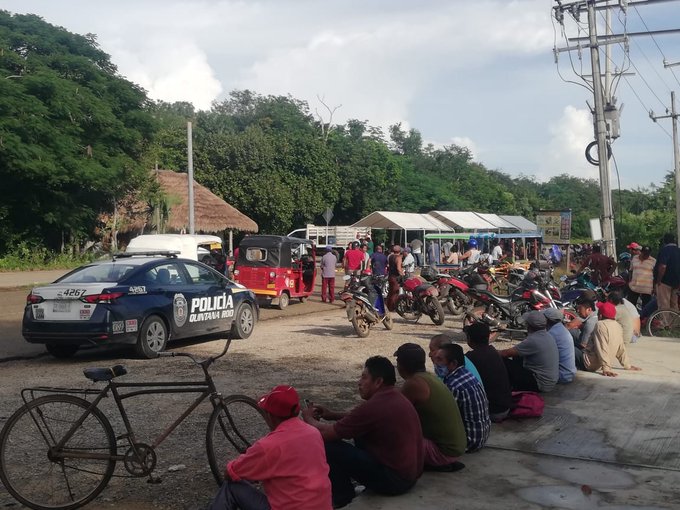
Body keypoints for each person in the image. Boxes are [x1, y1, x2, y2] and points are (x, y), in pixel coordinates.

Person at [302, 356, 424, 509]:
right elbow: (358, 418)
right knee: (357, 433)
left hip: (395, 482)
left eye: (364, 377)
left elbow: (326, 434)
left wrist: (308, 418)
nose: (359, 382)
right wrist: (332, 414)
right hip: (409, 476)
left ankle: (342, 497)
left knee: (327, 446)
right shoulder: (394, 396)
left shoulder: (375, 406)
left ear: (378, 381)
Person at [209, 385, 332, 510]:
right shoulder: (314, 433)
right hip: (323, 506)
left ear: (269, 416)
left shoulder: (268, 446)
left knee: (231, 487)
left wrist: (249, 467)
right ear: (296, 410)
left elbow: (230, 473)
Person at [394, 343, 467, 469]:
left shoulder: (414, 384)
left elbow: (392, 414)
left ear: (401, 365)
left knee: (388, 437)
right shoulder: (429, 378)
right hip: (455, 448)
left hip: (443, 452)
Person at [432, 343, 491, 452]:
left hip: (469, 441)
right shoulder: (466, 374)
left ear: (453, 363)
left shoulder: (453, 386)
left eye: (439, 360)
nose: (435, 363)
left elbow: (444, 417)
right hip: (481, 435)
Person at [575, 302, 642, 377]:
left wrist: (606, 368)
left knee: (568, 346)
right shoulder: (617, 325)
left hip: (589, 364)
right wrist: (627, 365)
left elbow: (601, 347)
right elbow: (621, 348)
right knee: (576, 345)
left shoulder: (600, 325)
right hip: (600, 364)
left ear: (600, 315)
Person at [499, 311, 559, 393]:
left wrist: (490, 352)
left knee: (502, 361)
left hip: (540, 383)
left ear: (529, 325)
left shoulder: (534, 340)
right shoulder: (547, 336)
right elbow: (516, 351)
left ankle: (504, 389)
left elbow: (505, 353)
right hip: (548, 381)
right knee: (517, 356)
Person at [463, 322, 512, 422]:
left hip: (492, 411)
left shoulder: (470, 358)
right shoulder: (493, 351)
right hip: (505, 407)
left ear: (469, 339)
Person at [543, 308, 576, 384]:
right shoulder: (560, 329)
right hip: (569, 373)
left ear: (547, 320)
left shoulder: (551, 333)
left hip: (562, 375)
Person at [654, 233, 680, 311]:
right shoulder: (678, 251)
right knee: (674, 304)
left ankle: (665, 319)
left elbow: (663, 266)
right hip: (677, 282)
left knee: (664, 305)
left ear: (664, 241)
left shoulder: (665, 250)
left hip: (665, 281)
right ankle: (675, 318)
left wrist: (659, 280)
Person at [386, 245, 404, 311]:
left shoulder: (390, 257)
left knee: (390, 292)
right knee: (395, 292)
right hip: (395, 277)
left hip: (390, 276)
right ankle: (392, 307)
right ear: (400, 251)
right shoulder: (399, 258)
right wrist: (402, 274)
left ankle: (388, 306)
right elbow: (398, 268)